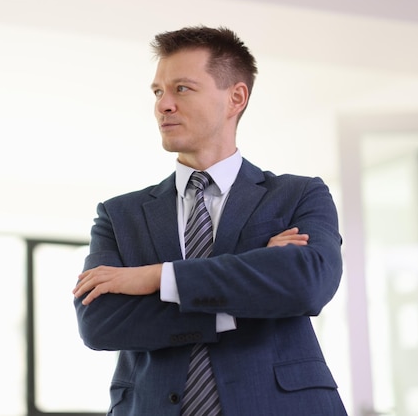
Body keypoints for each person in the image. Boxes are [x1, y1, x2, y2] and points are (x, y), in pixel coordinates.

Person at [72, 25, 347, 416]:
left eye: (182, 88)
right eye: (157, 92)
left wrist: (158, 277)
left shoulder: (299, 194)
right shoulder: (119, 215)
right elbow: (100, 322)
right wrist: (254, 278)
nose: (163, 105)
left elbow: (307, 283)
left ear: (236, 97)